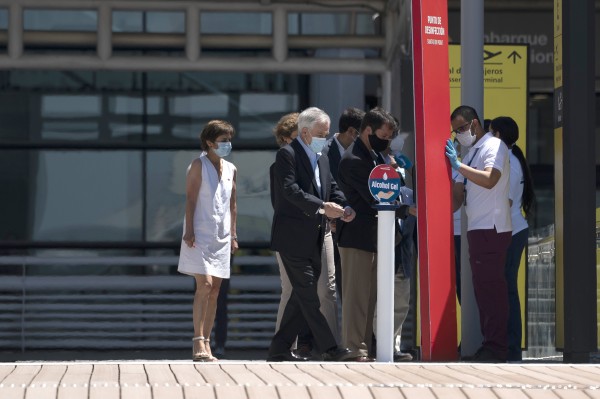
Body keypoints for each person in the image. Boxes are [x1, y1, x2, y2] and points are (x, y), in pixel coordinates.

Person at [268, 107, 356, 362]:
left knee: (298, 296)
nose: (324, 138)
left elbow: (332, 188)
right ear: (304, 132)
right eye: (320, 133)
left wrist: (344, 207)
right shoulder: (287, 154)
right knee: (307, 293)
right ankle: (329, 347)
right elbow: (289, 190)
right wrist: (322, 207)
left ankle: (279, 349)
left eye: (326, 134)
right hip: (292, 238)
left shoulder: (322, 157)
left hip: (316, 237)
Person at [336, 107, 410, 362]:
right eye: (384, 135)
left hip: (375, 238)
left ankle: (365, 347)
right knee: (357, 298)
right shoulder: (354, 160)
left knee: (370, 298)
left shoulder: (375, 157)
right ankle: (354, 348)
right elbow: (374, 197)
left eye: (390, 136)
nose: (387, 140)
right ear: (367, 130)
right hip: (357, 238)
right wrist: (406, 208)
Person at [445, 105, 512, 362]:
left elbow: (489, 179)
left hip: (491, 228)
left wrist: (458, 165)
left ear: (474, 124)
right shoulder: (471, 153)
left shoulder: (493, 146)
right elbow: (456, 200)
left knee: (491, 291)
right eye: (456, 131)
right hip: (477, 228)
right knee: (483, 291)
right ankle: (491, 345)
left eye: (461, 128)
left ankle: (496, 348)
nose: (459, 134)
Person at [178, 120, 238, 362]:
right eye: (223, 141)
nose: (227, 145)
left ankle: (208, 341)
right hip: (199, 234)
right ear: (209, 142)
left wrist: (234, 235)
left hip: (221, 237)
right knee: (204, 285)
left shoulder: (231, 168)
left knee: (215, 290)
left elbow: (233, 204)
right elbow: (191, 200)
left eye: (229, 141)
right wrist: (189, 230)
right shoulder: (197, 165)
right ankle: (198, 341)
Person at [490, 116, 535, 362]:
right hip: (512, 229)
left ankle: (511, 347)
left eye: (490, 133)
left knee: (507, 290)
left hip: (510, 231)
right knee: (506, 290)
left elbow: (504, 203)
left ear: (497, 135)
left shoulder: (508, 160)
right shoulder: (512, 157)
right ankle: (509, 346)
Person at [321, 107, 365, 303]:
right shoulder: (323, 152)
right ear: (352, 132)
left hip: (358, 227)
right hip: (332, 227)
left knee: (357, 288)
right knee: (331, 287)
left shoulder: (364, 154)